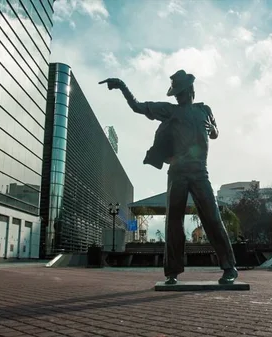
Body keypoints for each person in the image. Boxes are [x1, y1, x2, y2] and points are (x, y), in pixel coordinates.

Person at [99, 70, 238, 285]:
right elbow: (138, 106)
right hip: (178, 173)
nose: (179, 97)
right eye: (177, 94)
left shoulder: (204, 109)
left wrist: (213, 129)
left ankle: (229, 267)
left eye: (182, 93)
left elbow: (215, 132)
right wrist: (122, 86)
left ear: (191, 91)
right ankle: (172, 272)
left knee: (212, 217)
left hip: (201, 172)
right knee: (174, 222)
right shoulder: (170, 111)